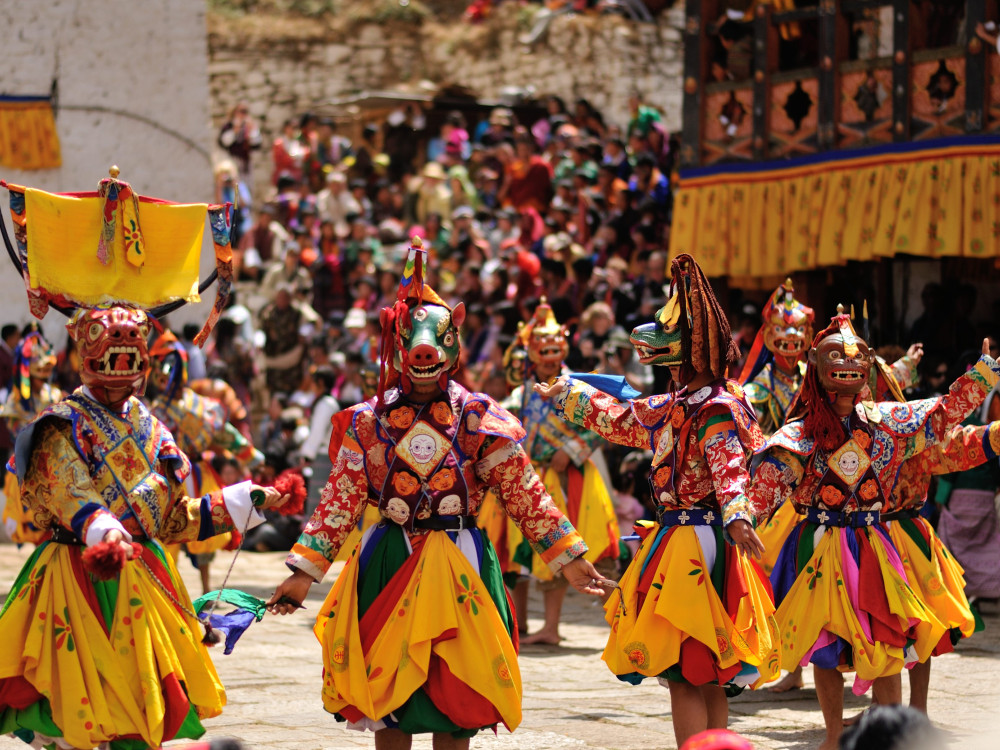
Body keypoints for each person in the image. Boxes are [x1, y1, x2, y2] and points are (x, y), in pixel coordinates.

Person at [267, 241, 606, 749]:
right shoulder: (368, 421)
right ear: (396, 344)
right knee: (391, 701)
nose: (424, 354)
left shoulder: (478, 416)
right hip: (389, 558)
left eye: (436, 342)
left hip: (462, 556)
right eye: (413, 342)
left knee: (456, 700)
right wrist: (302, 575)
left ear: (454, 344)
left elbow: (523, 490)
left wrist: (568, 556)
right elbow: (339, 501)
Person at [536, 254, 779, 748]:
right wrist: (570, 395)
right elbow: (624, 419)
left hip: (697, 539)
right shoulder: (677, 405)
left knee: (686, 669)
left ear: (694, 349)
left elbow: (728, 462)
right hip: (688, 536)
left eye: (670, 333)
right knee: (704, 664)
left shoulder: (713, 406)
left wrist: (735, 513)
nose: (652, 339)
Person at [747, 313, 1000, 750]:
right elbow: (765, 485)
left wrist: (979, 379)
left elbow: (940, 418)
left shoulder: (886, 423)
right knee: (822, 645)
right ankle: (832, 734)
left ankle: (896, 734)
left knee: (885, 642)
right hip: (820, 544)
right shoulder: (801, 434)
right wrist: (738, 520)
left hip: (871, 544)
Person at [498, 300, 620, 644]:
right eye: (543, 350)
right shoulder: (520, 394)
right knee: (519, 552)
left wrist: (570, 450)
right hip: (528, 478)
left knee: (574, 547)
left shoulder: (576, 387)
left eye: (555, 350)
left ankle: (563, 626)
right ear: (531, 352)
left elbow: (604, 424)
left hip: (572, 478)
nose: (550, 356)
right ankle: (519, 622)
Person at [147, 332, 263, 595]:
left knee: (204, 530)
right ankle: (166, 589)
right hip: (167, 476)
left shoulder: (201, 405)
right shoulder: (154, 410)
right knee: (166, 536)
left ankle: (206, 589)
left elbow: (226, 436)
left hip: (196, 473)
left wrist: (251, 457)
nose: (165, 376)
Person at [0, 331, 62, 545]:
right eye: (38, 376)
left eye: (46, 375)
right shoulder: (16, 400)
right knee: (33, 526)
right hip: (25, 470)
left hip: (55, 470)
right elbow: (17, 433)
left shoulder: (54, 395)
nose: (42, 381)